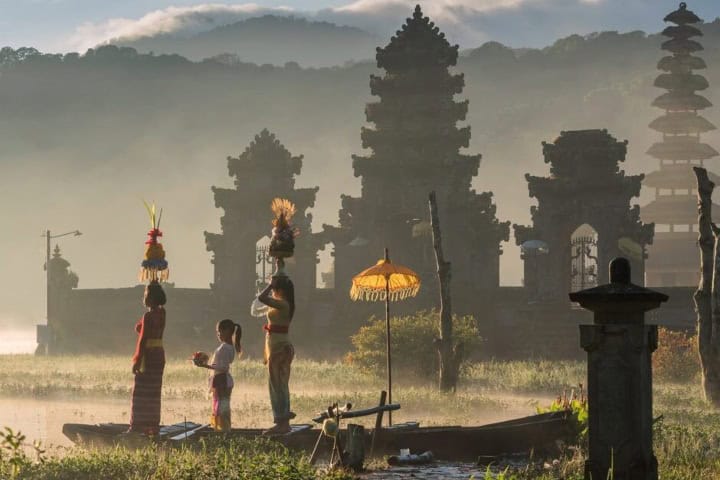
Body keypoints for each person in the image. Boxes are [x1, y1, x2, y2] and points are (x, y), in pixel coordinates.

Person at [258, 275, 296, 434]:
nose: (272, 291)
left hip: (281, 348)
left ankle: (283, 423)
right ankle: (281, 421)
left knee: (278, 385)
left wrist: (269, 285)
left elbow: (261, 297)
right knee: (277, 385)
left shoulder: (284, 305)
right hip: (277, 347)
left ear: (280, 290)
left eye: (274, 289)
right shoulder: (281, 304)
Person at [128, 281, 166, 435]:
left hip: (148, 355)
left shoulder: (148, 315)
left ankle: (137, 427)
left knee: (140, 392)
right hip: (159, 354)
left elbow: (143, 339)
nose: (143, 297)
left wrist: (137, 361)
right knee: (153, 392)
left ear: (149, 298)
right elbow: (141, 328)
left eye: (145, 294)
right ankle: (151, 425)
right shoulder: (162, 313)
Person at [198, 319, 242, 432]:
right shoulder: (228, 347)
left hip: (222, 380)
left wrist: (205, 366)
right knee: (221, 406)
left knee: (222, 408)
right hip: (221, 380)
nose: (218, 335)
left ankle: (224, 430)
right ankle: (221, 429)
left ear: (227, 331)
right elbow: (220, 364)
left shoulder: (224, 348)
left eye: (219, 332)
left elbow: (223, 367)